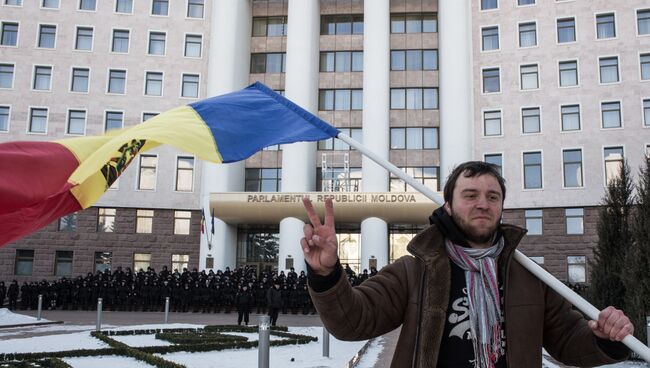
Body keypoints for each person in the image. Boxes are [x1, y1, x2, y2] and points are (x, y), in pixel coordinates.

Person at [300, 161, 634, 368]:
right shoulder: (413, 271)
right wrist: (326, 274)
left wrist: (605, 338)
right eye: (470, 195)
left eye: (493, 197)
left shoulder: (530, 277)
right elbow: (353, 322)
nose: (483, 204)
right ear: (447, 206)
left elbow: (568, 342)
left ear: (502, 207)